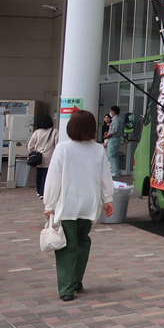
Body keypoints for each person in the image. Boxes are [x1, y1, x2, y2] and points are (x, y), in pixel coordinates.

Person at [43, 110, 114, 302]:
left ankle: (67, 289)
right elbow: (105, 176)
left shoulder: (63, 148)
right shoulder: (98, 149)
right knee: (83, 241)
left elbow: (54, 178)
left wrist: (49, 204)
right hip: (89, 204)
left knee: (67, 246)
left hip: (68, 205)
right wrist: (108, 199)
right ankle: (76, 279)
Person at [27, 114, 57, 199]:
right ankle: (43, 192)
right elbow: (56, 144)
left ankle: (38, 191)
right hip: (49, 156)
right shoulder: (54, 131)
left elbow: (30, 145)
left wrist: (33, 152)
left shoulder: (37, 132)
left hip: (38, 156)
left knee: (38, 174)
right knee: (46, 175)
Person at [103, 106, 124, 177]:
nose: (110, 112)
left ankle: (115, 171)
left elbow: (114, 131)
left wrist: (106, 136)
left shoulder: (116, 120)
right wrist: (108, 133)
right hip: (115, 139)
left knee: (111, 155)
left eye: (111, 111)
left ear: (113, 112)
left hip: (113, 139)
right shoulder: (119, 119)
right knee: (114, 155)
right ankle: (115, 170)